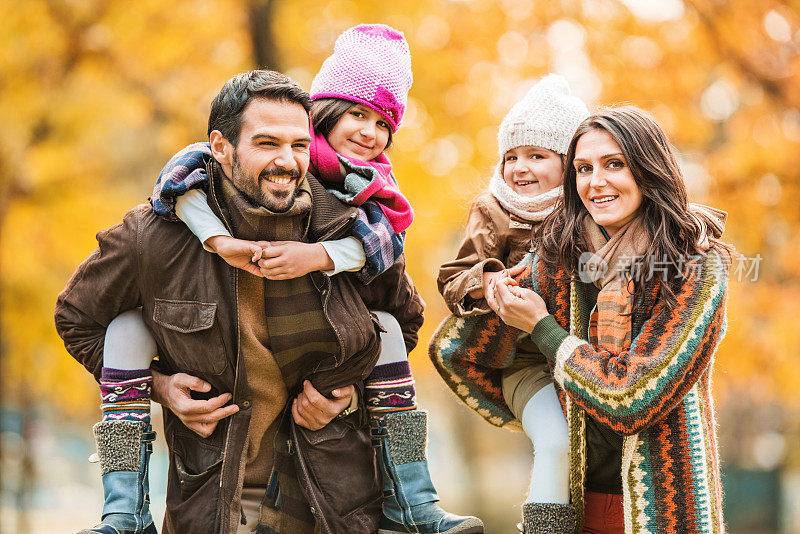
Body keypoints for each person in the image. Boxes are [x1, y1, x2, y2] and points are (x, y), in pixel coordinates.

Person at [56, 69, 426, 534]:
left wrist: (345, 389)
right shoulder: (153, 237)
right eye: (267, 144)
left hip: (334, 505)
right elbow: (78, 320)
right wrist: (160, 388)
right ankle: (122, 515)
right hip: (207, 507)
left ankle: (418, 505)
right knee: (125, 325)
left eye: (298, 145)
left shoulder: (351, 229)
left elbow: (401, 324)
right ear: (221, 147)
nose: (287, 161)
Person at [430, 106, 732, 533]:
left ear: (649, 169)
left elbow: (634, 398)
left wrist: (543, 329)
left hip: (668, 508)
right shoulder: (556, 259)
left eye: (614, 164)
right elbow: (456, 352)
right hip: (574, 507)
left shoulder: (696, 268)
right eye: (583, 168)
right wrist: (547, 420)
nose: (596, 182)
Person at [437, 75, 588, 528]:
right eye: (511, 157)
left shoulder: (588, 213)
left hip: (581, 357)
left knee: (591, 460)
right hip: (524, 363)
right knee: (556, 440)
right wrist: (488, 281)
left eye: (537, 156)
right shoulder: (493, 211)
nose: (520, 167)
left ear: (568, 164)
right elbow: (452, 278)